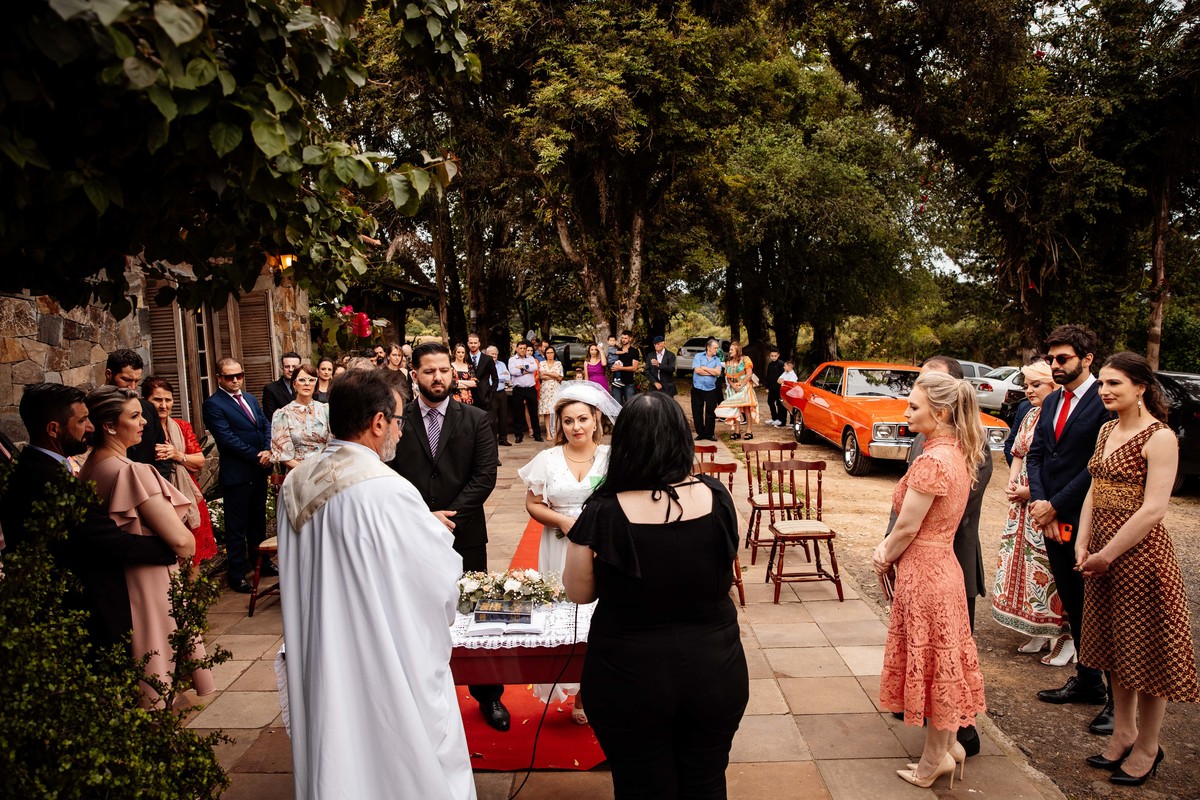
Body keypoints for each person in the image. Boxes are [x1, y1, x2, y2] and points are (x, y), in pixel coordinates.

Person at [278, 369, 474, 799]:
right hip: (380, 649)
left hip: (321, 643)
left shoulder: (297, 482)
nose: (401, 433)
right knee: (395, 745)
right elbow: (433, 578)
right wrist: (433, 532)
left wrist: (420, 526)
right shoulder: (388, 489)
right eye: (400, 421)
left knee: (338, 741)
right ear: (379, 422)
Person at [564, 392, 748, 798]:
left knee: (642, 787)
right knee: (705, 781)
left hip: (630, 676)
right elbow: (726, 563)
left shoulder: (602, 512)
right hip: (714, 669)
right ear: (680, 439)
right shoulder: (717, 496)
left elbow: (577, 591)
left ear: (624, 443)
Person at [1076, 352, 1199, 786]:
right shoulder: (1107, 428)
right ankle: (1123, 731)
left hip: (1141, 558)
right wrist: (1082, 540)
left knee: (1145, 656)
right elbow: (1094, 488)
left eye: (1115, 384)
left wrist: (1107, 552)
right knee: (1113, 649)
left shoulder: (1161, 437)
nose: (1105, 391)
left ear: (1140, 387)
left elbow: (1154, 510)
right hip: (1100, 555)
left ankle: (1149, 745)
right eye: (1103, 384)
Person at [873, 371, 987, 789]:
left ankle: (933, 760)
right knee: (944, 660)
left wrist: (883, 557)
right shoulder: (957, 452)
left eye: (914, 406)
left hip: (925, 572)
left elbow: (905, 529)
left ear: (939, 412)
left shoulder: (932, 462)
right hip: (945, 570)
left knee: (937, 663)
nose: (907, 411)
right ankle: (950, 747)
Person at [0, 383, 178, 650]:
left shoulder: (37, 468)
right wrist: (170, 546)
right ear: (53, 429)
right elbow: (108, 540)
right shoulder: (51, 480)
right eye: (82, 421)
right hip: (79, 611)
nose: (90, 427)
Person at [388, 343, 508, 732]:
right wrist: (423, 518)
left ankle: (489, 697)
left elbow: (484, 475)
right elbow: (388, 474)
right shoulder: (396, 420)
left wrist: (449, 518)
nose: (438, 377)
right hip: (409, 534)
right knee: (415, 617)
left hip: (465, 533)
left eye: (444, 370)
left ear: (453, 374)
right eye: (429, 371)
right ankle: (420, 700)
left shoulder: (475, 418)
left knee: (476, 617)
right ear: (414, 375)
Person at [79, 386, 214, 706]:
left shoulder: (89, 468)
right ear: (110, 426)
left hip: (121, 578)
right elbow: (182, 541)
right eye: (135, 416)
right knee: (156, 660)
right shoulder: (132, 472)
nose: (144, 422)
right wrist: (184, 547)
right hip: (150, 578)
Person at [1026, 325, 1114, 734]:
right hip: (1051, 516)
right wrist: (1041, 502)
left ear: (1087, 359)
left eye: (1063, 359)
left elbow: (1095, 466)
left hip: (1090, 517)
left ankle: (1117, 697)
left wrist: (1056, 503)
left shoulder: (1106, 401)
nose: (1055, 366)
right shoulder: (1051, 402)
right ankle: (1088, 680)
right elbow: (1038, 454)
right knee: (1073, 600)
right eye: (1051, 359)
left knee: (1102, 605)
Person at [518, 382, 621, 719]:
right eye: (568, 421)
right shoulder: (547, 459)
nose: (576, 427)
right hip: (559, 547)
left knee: (599, 619)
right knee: (562, 616)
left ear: (596, 420)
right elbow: (533, 505)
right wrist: (562, 521)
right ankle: (567, 680)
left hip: (602, 547)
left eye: (582, 419)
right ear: (558, 424)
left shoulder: (612, 458)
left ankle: (588, 693)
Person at [991, 361, 1068, 657]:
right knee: (1024, 565)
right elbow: (1019, 452)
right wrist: (1013, 482)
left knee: (1047, 568)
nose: (1028, 390)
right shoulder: (1031, 413)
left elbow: (1059, 464)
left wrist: (1030, 490)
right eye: (1026, 385)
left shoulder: (1059, 418)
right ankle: (1035, 629)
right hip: (1021, 502)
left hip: (1044, 498)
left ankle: (1064, 637)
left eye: (1036, 385)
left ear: (1054, 385)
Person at [203, 358, 273, 594]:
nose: (235, 380)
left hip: (259, 469)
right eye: (230, 377)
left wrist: (268, 450)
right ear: (219, 378)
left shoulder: (251, 399)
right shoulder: (214, 404)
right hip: (237, 473)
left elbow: (264, 425)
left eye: (239, 375)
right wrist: (257, 455)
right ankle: (236, 575)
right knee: (237, 527)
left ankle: (261, 564)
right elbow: (226, 439)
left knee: (258, 520)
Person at [143, 377, 218, 569]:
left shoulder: (181, 426)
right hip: (159, 497)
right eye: (157, 400)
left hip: (186, 495)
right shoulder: (141, 430)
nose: (163, 405)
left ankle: (193, 597)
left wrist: (177, 455)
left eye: (167, 400)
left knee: (193, 552)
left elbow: (199, 461)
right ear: (146, 401)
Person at [105, 349, 171, 479]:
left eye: (137, 381)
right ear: (109, 374)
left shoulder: (148, 409)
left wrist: (154, 484)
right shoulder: (92, 408)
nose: (132, 387)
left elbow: (162, 454)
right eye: (126, 380)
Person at [270, 364, 331, 471]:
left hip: (326, 470)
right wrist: (308, 470)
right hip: (297, 473)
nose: (307, 384)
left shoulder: (326, 410)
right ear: (294, 384)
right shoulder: (283, 414)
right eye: (302, 380)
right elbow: (283, 455)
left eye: (311, 380)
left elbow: (335, 444)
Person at [715, 340, 758, 440]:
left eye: (731, 349)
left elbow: (749, 374)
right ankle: (737, 431)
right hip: (734, 387)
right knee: (736, 409)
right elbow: (728, 377)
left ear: (737, 350)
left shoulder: (745, 359)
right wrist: (733, 386)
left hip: (745, 386)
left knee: (746, 409)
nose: (729, 351)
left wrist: (741, 386)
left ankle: (749, 431)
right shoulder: (729, 362)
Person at [690, 337, 723, 442]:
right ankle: (701, 433)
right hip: (697, 388)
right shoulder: (698, 356)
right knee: (697, 411)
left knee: (710, 412)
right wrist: (711, 371)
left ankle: (709, 434)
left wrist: (704, 368)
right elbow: (697, 370)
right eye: (715, 348)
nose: (716, 350)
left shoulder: (717, 359)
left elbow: (718, 373)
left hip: (711, 389)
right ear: (708, 348)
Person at [508, 340, 542, 443]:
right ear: (517, 349)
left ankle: (537, 435)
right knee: (518, 413)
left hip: (530, 388)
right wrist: (527, 370)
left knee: (533, 413)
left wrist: (523, 368)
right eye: (521, 348)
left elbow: (534, 367)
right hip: (518, 389)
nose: (523, 350)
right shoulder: (512, 360)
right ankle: (518, 435)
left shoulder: (531, 358)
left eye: (524, 348)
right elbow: (513, 371)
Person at [466, 333, 497, 429]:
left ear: (479, 344)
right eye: (471, 343)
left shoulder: (488, 359)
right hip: (469, 397)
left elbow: (495, 378)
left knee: (488, 425)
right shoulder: (465, 358)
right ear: (468, 344)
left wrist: (490, 394)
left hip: (485, 397)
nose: (473, 345)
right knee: (472, 425)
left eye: (475, 342)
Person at [262, 351, 302, 420]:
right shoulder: (271, 389)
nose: (291, 370)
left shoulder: (307, 385)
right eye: (287, 367)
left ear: (300, 368)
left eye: (294, 367)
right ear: (282, 368)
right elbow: (270, 417)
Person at [486, 344, 512, 447]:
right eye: (492, 354)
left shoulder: (501, 364)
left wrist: (497, 377)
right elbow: (489, 379)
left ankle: (503, 438)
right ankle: (492, 439)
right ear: (487, 354)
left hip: (502, 392)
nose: (494, 355)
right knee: (492, 417)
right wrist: (500, 376)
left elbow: (508, 377)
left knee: (503, 415)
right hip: (491, 392)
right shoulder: (485, 364)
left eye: (496, 354)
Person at [537, 345, 565, 432]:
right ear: (545, 354)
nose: (550, 354)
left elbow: (560, 378)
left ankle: (556, 431)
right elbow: (541, 376)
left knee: (556, 410)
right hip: (545, 390)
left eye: (551, 352)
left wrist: (546, 373)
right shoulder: (542, 363)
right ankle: (548, 432)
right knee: (547, 412)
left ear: (554, 353)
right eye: (548, 353)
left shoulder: (558, 363)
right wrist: (554, 375)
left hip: (556, 389)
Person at [609, 330, 640, 405]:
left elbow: (634, 368)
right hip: (616, 383)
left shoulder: (634, 351)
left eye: (625, 338)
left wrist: (620, 368)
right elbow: (611, 363)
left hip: (628, 383)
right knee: (617, 407)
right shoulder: (617, 351)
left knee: (630, 406)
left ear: (630, 338)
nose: (623, 340)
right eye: (622, 338)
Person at [765, 347, 785, 427]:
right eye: (772, 356)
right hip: (772, 387)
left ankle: (781, 420)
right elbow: (768, 376)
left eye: (775, 356)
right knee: (770, 401)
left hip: (779, 388)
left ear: (778, 355)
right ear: (770, 356)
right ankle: (774, 418)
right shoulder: (770, 364)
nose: (773, 357)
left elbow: (784, 375)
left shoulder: (781, 364)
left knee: (780, 404)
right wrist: (767, 387)